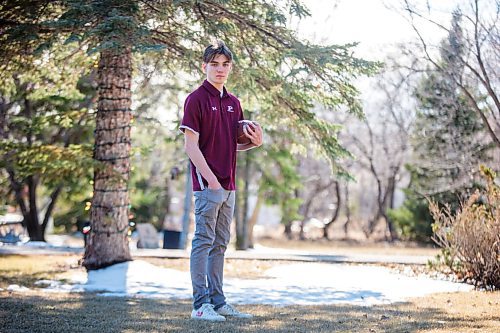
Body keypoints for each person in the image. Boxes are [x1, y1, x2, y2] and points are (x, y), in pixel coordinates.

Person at [180, 40, 263, 321]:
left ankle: (218, 302)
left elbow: (232, 143)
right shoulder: (195, 99)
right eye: (214, 64)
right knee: (203, 242)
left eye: (225, 64)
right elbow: (191, 147)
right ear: (204, 66)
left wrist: (254, 143)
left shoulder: (233, 103)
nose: (220, 69)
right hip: (208, 186)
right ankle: (200, 306)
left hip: (229, 187)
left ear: (231, 67)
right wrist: (212, 181)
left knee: (220, 245)